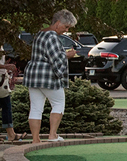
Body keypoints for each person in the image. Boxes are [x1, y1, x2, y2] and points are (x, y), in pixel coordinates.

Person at [24, 9, 77, 144]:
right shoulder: (53, 36)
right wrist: (68, 55)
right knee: (58, 103)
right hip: (47, 76)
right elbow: (55, 58)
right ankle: (52, 135)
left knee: (36, 107)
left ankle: (36, 139)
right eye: (65, 27)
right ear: (58, 23)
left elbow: (45, 54)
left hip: (33, 75)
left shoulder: (40, 34)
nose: (65, 30)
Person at [1, 48, 22, 142]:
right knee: (6, 107)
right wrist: (5, 66)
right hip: (1, 83)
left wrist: (6, 75)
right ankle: (11, 134)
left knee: (7, 106)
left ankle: (11, 134)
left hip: (2, 81)